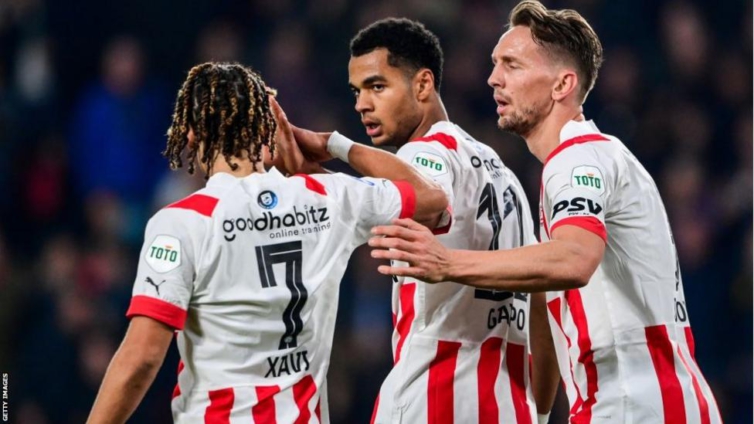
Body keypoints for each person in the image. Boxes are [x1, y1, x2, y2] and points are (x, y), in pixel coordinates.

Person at [369, 2, 722, 423]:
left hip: (634, 403)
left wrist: (447, 262)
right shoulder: (595, 160)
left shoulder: (576, 158)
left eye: (512, 65)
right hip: (653, 398)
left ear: (562, 85)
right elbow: (544, 299)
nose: (494, 78)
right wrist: (536, 411)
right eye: (495, 63)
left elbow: (575, 259)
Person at [86, 62, 447, 423]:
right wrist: (333, 144)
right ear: (267, 129)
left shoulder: (182, 223)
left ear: (192, 135)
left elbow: (142, 357)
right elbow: (432, 199)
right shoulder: (330, 197)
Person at [294, 18, 540, 423]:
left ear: (423, 85)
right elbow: (542, 303)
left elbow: (428, 197)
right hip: (507, 400)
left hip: (435, 391)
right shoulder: (503, 174)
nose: (361, 104)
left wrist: (334, 145)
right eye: (357, 91)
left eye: (377, 86)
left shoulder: (424, 153)